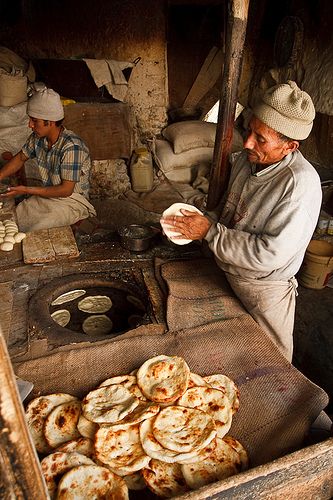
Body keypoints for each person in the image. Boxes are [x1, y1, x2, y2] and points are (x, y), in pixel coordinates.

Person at [160, 81, 322, 362]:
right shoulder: (248, 162)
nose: (247, 143)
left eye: (261, 139)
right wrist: (197, 222)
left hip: (263, 292)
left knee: (270, 367)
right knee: (223, 356)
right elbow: (227, 213)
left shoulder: (299, 185)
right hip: (226, 273)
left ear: (290, 146)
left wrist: (210, 232)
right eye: (250, 131)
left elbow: (268, 254)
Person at [0, 87, 96, 232]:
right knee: (15, 218)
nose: (30, 125)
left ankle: (87, 224)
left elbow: (65, 190)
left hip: (72, 201)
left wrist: (25, 189)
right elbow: (20, 158)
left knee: (35, 228)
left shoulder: (72, 147)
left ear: (50, 122)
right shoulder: (38, 138)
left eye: (34, 121)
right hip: (50, 195)